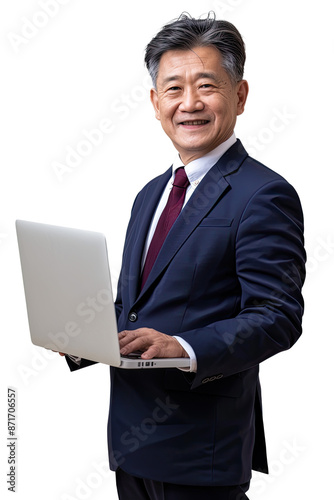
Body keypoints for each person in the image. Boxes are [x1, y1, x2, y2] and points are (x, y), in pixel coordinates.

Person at [66, 12, 306, 500]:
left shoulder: (264, 195)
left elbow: (277, 316)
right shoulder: (150, 194)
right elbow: (133, 308)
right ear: (155, 103)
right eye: (173, 89)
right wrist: (77, 332)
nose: (189, 103)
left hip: (203, 453)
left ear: (239, 95)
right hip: (131, 444)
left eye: (206, 86)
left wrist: (184, 347)